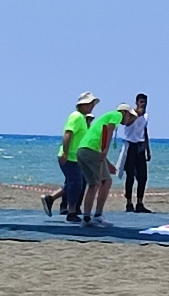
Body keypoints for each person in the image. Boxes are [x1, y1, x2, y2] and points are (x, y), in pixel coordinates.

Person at [79, 103, 138, 225]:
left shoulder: (107, 116)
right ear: (125, 112)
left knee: (93, 184)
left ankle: (86, 217)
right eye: (129, 116)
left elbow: (102, 133)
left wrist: (107, 162)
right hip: (92, 150)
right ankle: (98, 214)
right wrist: (106, 149)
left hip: (82, 150)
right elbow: (109, 129)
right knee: (107, 181)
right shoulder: (117, 115)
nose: (129, 119)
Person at [43, 92, 97, 221]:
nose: (92, 107)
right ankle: (71, 212)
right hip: (70, 157)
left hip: (76, 158)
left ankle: (51, 198)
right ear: (83, 105)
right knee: (76, 183)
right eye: (90, 104)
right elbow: (68, 134)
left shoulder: (82, 118)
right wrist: (65, 152)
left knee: (73, 183)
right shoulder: (76, 117)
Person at [119, 93, 152, 213]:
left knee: (143, 176)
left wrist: (148, 149)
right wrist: (137, 114)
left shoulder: (146, 116)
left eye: (145, 102)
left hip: (140, 146)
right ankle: (129, 203)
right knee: (130, 176)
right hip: (130, 146)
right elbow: (126, 123)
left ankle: (139, 203)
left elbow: (144, 131)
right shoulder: (131, 114)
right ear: (137, 103)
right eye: (141, 102)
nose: (143, 104)